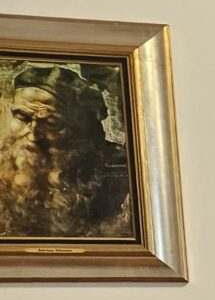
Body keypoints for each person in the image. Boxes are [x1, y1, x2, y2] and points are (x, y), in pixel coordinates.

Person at [0, 62, 133, 240]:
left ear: (79, 128)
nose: (33, 135)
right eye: (22, 117)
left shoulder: (119, 177)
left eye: (51, 123)